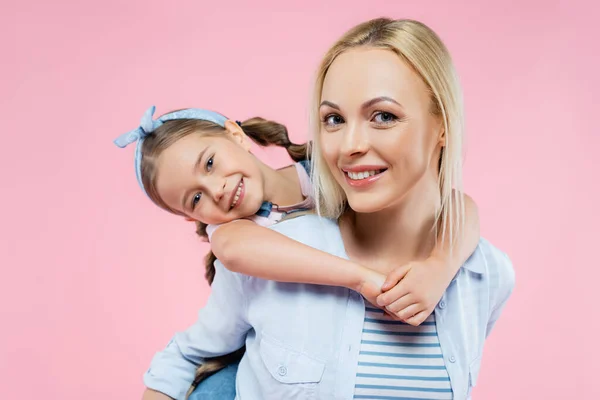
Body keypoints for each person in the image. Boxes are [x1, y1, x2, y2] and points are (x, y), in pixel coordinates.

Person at [131, 17, 514, 400]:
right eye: (334, 119)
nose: (350, 145)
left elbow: (459, 207)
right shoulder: (244, 246)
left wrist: (441, 266)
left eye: (383, 116)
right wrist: (362, 278)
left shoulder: (484, 273)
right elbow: (225, 267)